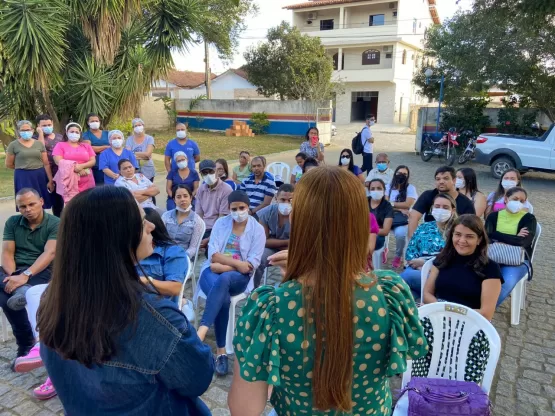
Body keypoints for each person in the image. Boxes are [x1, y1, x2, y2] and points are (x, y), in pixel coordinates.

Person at [228, 166, 427, 416]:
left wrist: (294, 279)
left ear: (300, 222)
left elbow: (245, 409)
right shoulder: (390, 293)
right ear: (359, 222)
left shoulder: (271, 307)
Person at [38, 186, 214, 414]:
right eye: (142, 222)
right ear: (118, 237)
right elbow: (197, 378)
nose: (152, 226)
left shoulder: (52, 299)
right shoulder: (154, 317)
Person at [196, 190, 265, 376]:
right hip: (211, 273)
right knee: (224, 299)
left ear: (248, 207)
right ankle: (221, 352)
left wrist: (224, 267)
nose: (238, 212)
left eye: (242, 208)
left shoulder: (257, 230)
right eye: (234, 209)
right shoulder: (221, 223)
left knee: (225, 279)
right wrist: (236, 264)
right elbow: (213, 255)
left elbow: (251, 264)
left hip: (237, 279)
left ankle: (200, 333)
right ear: (229, 209)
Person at [1, 189, 59, 368]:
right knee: (7, 296)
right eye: (22, 206)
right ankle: (26, 343)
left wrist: (25, 276)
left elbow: (50, 253)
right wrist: (14, 278)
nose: (27, 209)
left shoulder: (55, 223)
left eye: (31, 204)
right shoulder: (13, 222)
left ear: (41, 201)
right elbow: (7, 253)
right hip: (16, 271)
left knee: (6, 297)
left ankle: (29, 345)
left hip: (43, 269)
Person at [423, 215, 503, 320]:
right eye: (458, 234)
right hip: (438, 316)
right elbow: (427, 294)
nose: (462, 240)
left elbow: (486, 314)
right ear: (451, 236)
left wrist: (452, 314)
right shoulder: (442, 259)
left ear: (479, 240)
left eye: (469, 236)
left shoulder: (490, 268)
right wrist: (442, 311)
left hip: (469, 322)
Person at [485, 187, 537, 306]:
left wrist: (497, 236)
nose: (518, 203)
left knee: (506, 283)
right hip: (492, 256)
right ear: (506, 199)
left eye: (522, 201)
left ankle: (483, 315)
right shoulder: (493, 217)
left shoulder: (529, 218)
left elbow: (524, 242)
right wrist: (514, 237)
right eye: (515, 199)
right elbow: (486, 237)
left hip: (518, 261)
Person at [401, 193, 458, 300]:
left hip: (441, 274)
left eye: (445, 207)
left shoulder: (457, 231)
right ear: (432, 209)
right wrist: (419, 266)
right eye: (437, 206)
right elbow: (411, 251)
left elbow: (454, 258)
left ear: (453, 210)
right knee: (406, 297)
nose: (440, 210)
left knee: (404, 278)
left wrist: (426, 264)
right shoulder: (424, 227)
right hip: (416, 270)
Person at [408, 166, 475, 240]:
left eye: (446, 178)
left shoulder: (466, 203)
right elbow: (413, 217)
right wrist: (413, 240)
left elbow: (471, 227)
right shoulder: (428, 195)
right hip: (428, 237)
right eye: (438, 179)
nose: (441, 181)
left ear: (454, 180)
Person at [138, 208, 188, 304]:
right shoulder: (131, 251)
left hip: (157, 308)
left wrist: (146, 280)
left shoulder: (172, 251)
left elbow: (175, 288)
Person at [6, 120, 54, 209]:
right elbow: (9, 164)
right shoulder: (13, 145)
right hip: (23, 176)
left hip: (39, 175)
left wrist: (50, 180)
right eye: (23, 130)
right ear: (19, 131)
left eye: (28, 130)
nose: (26, 132)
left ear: (32, 130)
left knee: (40, 200)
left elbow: (46, 163)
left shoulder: (39, 144)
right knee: (25, 200)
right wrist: (23, 167)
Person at [253, 184, 293, 287]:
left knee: (297, 261)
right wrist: (288, 242)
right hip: (273, 248)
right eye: (283, 199)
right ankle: (253, 291)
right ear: (276, 198)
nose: (286, 203)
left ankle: (289, 290)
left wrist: (274, 242)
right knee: (258, 258)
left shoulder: (301, 214)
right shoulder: (267, 212)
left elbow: (300, 243)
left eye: (290, 200)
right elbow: (263, 241)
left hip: (292, 250)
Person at [385, 165, 418, 269]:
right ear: (395, 174)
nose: (401, 176)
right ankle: (382, 249)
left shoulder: (411, 188)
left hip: (401, 219)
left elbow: (408, 204)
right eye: (399, 173)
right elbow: (385, 204)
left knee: (400, 235)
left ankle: (398, 255)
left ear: (407, 176)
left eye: (404, 174)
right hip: (387, 216)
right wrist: (399, 208)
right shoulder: (388, 187)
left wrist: (392, 204)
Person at [196, 159, 233, 249]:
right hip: (204, 227)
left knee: (212, 249)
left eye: (211, 171)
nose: (208, 175)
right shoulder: (201, 189)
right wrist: (197, 233)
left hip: (218, 228)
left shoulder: (226, 190)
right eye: (205, 173)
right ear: (201, 175)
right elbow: (199, 214)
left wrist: (209, 239)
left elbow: (222, 220)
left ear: (216, 171)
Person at [52, 122, 96, 196]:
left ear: (80, 134)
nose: (74, 134)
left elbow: (93, 161)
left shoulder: (86, 146)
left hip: (87, 180)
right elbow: (58, 161)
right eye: (72, 132)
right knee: (71, 205)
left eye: (76, 132)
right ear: (66, 133)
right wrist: (76, 168)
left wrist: (81, 167)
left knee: (88, 203)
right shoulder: (60, 145)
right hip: (68, 181)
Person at [162, 185, 205, 259]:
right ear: (174, 199)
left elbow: (193, 248)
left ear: (191, 198)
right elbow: (161, 239)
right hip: (164, 254)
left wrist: (182, 256)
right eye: (178, 197)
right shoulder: (166, 216)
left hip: (183, 257)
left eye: (185, 196)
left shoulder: (197, 221)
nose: (182, 199)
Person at [35, 114, 64, 216]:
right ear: (38, 126)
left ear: (52, 123)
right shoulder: (35, 138)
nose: (47, 127)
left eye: (49, 124)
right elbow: (40, 147)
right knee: (41, 199)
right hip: (42, 172)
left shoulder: (60, 137)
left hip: (58, 172)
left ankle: (58, 222)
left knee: (58, 200)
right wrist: (41, 134)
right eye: (43, 125)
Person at [82, 113, 110, 185]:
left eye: (96, 121)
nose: (95, 123)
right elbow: (88, 149)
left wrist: (96, 148)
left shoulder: (107, 133)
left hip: (110, 164)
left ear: (100, 122)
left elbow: (114, 146)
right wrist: (106, 147)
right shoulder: (86, 135)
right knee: (99, 187)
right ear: (88, 123)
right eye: (92, 121)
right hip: (96, 165)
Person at [126, 118, 156, 186]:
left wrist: (133, 153)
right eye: (135, 126)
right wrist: (144, 156)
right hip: (134, 170)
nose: (138, 127)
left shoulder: (149, 138)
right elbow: (128, 154)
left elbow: (148, 154)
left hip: (148, 169)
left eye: (139, 125)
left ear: (143, 125)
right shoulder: (129, 139)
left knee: (149, 190)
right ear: (133, 128)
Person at [367, 179, 393, 251]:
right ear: (369, 191)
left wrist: (367, 230)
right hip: (360, 233)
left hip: (378, 235)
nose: (376, 191)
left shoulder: (387, 206)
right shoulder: (363, 202)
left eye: (379, 188)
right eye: (372, 189)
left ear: (384, 190)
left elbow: (385, 231)